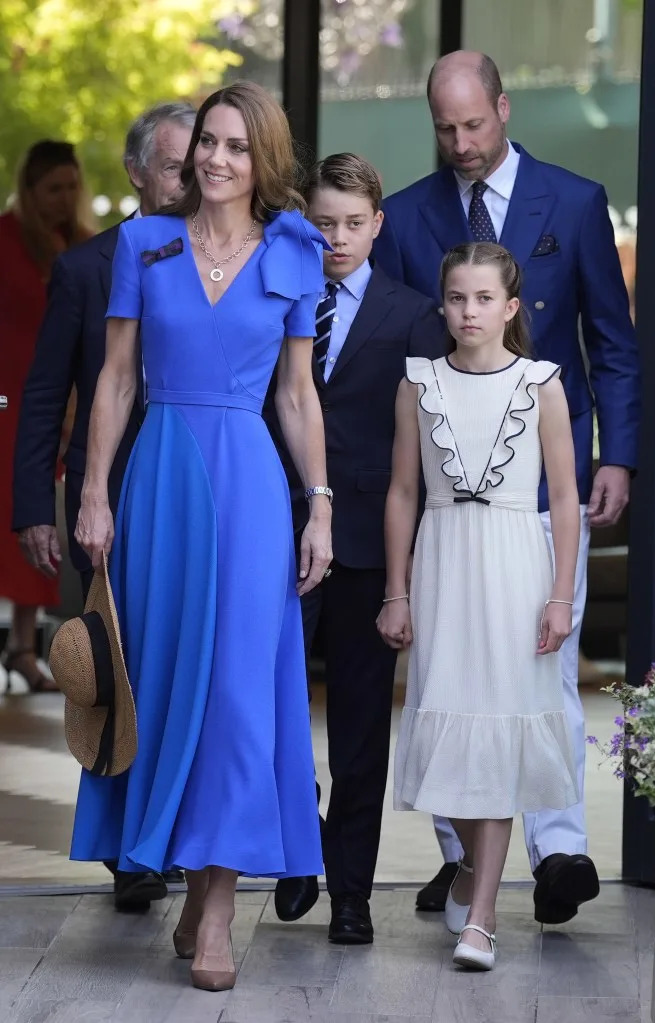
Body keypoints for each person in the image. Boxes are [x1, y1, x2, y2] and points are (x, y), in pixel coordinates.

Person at [70, 81, 330, 992]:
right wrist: (93, 490)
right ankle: (189, 884)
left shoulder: (294, 250)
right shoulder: (145, 243)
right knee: (170, 684)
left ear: (264, 160)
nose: (215, 159)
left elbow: (296, 394)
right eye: (207, 144)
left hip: (252, 488)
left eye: (234, 146)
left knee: (236, 693)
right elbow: (114, 379)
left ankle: (217, 910)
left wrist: (319, 505)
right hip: (161, 480)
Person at [373, 50, 640, 924]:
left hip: (542, 479)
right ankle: (461, 859)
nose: (460, 143)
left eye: (473, 124)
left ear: (504, 108)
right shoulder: (405, 215)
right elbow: (399, 354)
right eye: (444, 128)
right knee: (450, 674)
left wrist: (615, 455)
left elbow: (610, 340)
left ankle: (558, 849)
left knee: (543, 659)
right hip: (450, 494)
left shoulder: (574, 201)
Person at [12, 102, 196, 912]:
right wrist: (35, 504)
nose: (191, 179)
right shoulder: (87, 267)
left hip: (199, 493)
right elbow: (45, 389)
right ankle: (129, 849)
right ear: (135, 173)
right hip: (111, 493)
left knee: (185, 665)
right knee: (118, 668)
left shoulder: (227, 256)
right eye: (175, 165)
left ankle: (176, 831)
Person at [378, 242, 580, 969]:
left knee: (498, 730)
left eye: (484, 298)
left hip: (515, 566)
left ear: (510, 306)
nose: (469, 311)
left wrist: (560, 595)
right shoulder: (418, 383)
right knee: (448, 728)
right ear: (443, 305)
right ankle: (468, 865)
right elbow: (403, 491)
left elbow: (564, 498)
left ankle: (483, 920)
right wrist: (396, 590)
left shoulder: (541, 384)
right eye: (458, 298)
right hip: (442, 565)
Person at [264, 153, 443, 944]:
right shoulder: (278, 297)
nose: (336, 238)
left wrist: (408, 572)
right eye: (322, 223)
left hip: (370, 543)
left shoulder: (414, 314)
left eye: (351, 223)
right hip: (277, 529)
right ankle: (296, 844)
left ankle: (351, 894)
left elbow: (422, 451)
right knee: (269, 704)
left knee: (362, 727)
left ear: (377, 224)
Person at [0, 140, 94, 692]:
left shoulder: (82, 247)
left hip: (50, 409)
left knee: (36, 523)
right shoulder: (5, 239)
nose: (63, 198)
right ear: (30, 191)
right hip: (6, 400)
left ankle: (21, 645)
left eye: (71, 187)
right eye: (53, 188)